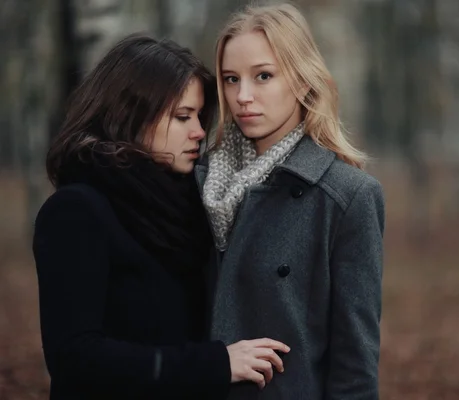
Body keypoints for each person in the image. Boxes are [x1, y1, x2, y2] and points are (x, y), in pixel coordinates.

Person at [32, 34, 289, 400]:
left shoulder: (192, 204)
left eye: (200, 116)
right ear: (130, 116)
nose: (199, 132)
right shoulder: (77, 212)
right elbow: (74, 357)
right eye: (182, 116)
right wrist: (215, 364)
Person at [196, 4, 385, 399]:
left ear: (302, 80)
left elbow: (354, 362)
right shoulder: (196, 182)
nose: (243, 96)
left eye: (263, 76)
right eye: (231, 79)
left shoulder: (347, 197)